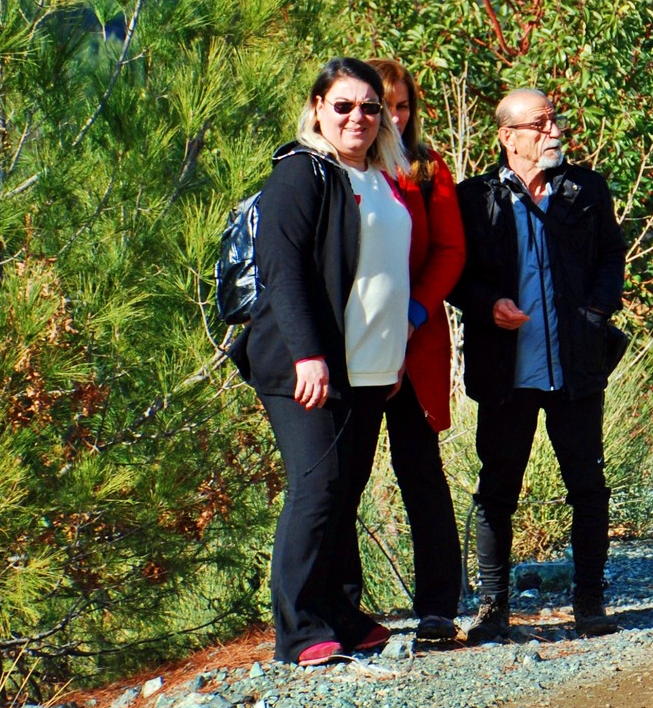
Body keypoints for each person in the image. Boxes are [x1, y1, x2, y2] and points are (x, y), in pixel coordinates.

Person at [232, 58, 413, 665]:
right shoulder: (302, 173)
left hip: (365, 369)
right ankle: (301, 630)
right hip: (303, 365)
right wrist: (309, 355)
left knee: (344, 491)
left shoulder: (379, 176)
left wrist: (389, 360)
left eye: (369, 107)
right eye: (343, 106)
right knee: (316, 488)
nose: (357, 117)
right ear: (317, 109)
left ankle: (341, 613)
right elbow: (283, 271)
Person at [454, 88, 628, 641]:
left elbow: (610, 257)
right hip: (507, 373)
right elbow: (454, 275)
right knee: (498, 488)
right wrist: (487, 305)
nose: (554, 130)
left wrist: (596, 313)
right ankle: (493, 607)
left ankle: (590, 601)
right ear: (508, 137)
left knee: (588, 485)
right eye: (539, 123)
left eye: (555, 120)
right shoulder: (474, 199)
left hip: (575, 369)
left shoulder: (584, 189)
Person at [329, 59, 468, 644]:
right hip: (353, 346)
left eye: (402, 105)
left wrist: (412, 314)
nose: (391, 115)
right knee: (345, 476)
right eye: (382, 104)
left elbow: (450, 250)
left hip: (415, 344)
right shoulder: (339, 167)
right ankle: (344, 609)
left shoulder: (427, 168)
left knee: (421, 472)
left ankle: (438, 604)